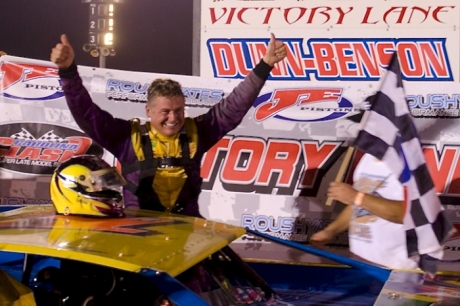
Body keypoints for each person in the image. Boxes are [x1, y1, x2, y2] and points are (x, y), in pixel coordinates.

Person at [50, 33, 286, 218]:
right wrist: (68, 71)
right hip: (139, 231)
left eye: (179, 111)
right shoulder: (127, 138)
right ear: (148, 112)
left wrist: (264, 66)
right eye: (165, 112)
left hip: (186, 231)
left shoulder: (197, 133)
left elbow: (234, 107)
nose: (173, 118)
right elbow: (86, 114)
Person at [310, 152, 419, 270]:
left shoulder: (409, 164)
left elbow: (411, 214)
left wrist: (356, 197)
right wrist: (330, 231)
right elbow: (359, 206)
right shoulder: (367, 158)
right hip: (360, 264)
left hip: (398, 269)